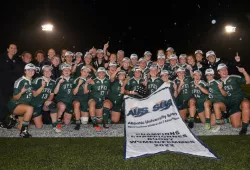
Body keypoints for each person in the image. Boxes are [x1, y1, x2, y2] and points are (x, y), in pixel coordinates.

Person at [217, 63, 250, 135]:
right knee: (236, 125)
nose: (224, 71)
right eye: (222, 70)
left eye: (225, 69)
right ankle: (245, 118)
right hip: (232, 104)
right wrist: (220, 88)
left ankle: (244, 127)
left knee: (245, 104)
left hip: (241, 99)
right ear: (218, 72)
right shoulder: (217, 82)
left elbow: (248, 82)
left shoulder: (234, 77)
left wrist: (244, 72)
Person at [7, 63, 36, 138]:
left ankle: (13, 118)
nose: (30, 71)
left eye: (32, 70)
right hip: (15, 104)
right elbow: (15, 98)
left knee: (22, 126)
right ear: (25, 71)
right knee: (30, 109)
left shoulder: (32, 82)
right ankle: (23, 132)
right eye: (28, 70)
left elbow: (34, 95)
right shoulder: (20, 81)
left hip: (24, 105)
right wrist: (21, 92)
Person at [31, 65, 57, 131]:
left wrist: (46, 103)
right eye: (45, 71)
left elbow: (51, 95)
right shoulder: (37, 80)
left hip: (44, 103)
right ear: (43, 72)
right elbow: (34, 94)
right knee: (39, 127)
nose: (47, 72)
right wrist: (42, 87)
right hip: (35, 104)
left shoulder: (53, 82)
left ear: (51, 72)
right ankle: (30, 116)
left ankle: (55, 125)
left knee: (52, 104)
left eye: (49, 71)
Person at [0, 43, 18, 128]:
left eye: (15, 48)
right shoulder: (2, 58)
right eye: (11, 48)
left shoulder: (16, 59)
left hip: (11, 86)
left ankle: (10, 119)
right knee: (2, 103)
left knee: (9, 103)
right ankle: (1, 121)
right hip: (2, 84)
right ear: (8, 49)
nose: (13, 50)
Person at [54, 64, 74, 132]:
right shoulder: (59, 79)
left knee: (67, 123)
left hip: (69, 101)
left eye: (68, 70)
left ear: (70, 72)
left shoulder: (72, 79)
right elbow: (55, 92)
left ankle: (62, 118)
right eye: (65, 70)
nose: (66, 71)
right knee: (62, 106)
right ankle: (57, 122)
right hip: (61, 100)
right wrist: (59, 83)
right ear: (62, 71)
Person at [72, 66, 91, 130]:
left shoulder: (89, 80)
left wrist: (86, 83)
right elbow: (74, 93)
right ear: (81, 72)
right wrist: (79, 84)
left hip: (85, 100)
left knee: (84, 121)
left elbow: (87, 92)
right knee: (77, 104)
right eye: (84, 71)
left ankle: (77, 115)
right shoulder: (76, 80)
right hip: (77, 99)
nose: (85, 73)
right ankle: (77, 122)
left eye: (87, 72)